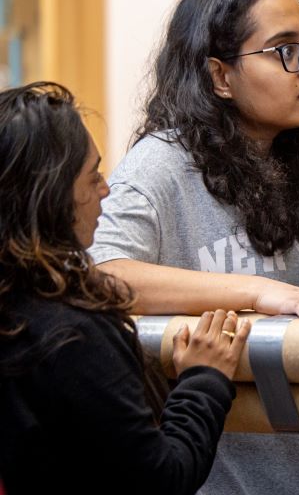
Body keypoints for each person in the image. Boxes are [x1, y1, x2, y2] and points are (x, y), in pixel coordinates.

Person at [89, 0, 299, 495]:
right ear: (221, 77)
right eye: (286, 51)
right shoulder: (161, 164)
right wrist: (261, 293)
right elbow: (104, 276)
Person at [0, 82, 252, 494]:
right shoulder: (71, 334)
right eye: (93, 175)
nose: (105, 189)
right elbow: (162, 478)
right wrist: (203, 379)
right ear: (50, 197)